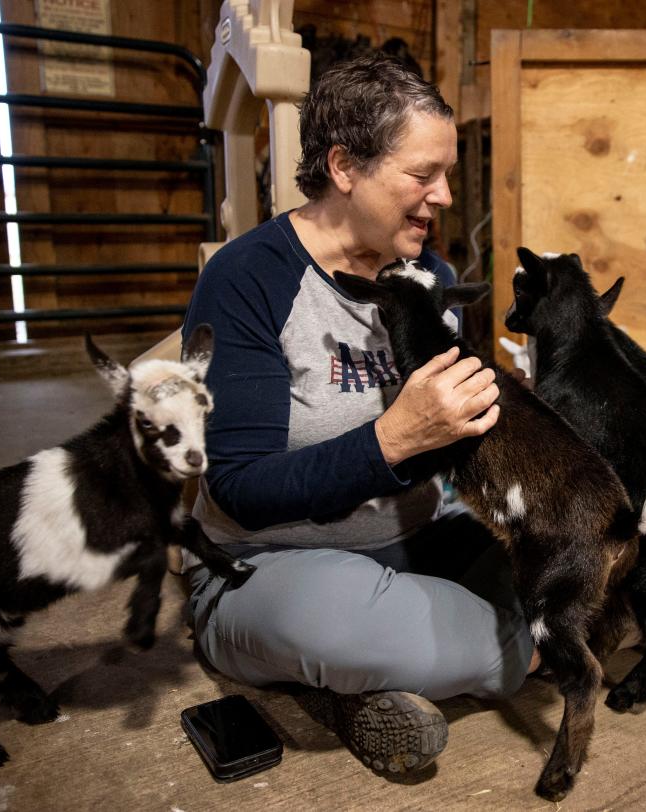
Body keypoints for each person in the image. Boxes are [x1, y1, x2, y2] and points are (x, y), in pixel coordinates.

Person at [179, 53, 536, 777]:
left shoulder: (426, 276)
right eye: (421, 175)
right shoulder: (249, 279)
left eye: (446, 176)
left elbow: (457, 447)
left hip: (417, 537)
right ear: (345, 167)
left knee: (565, 543)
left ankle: (380, 676)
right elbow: (237, 488)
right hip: (274, 566)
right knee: (329, 623)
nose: (441, 197)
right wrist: (393, 439)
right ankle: (546, 642)